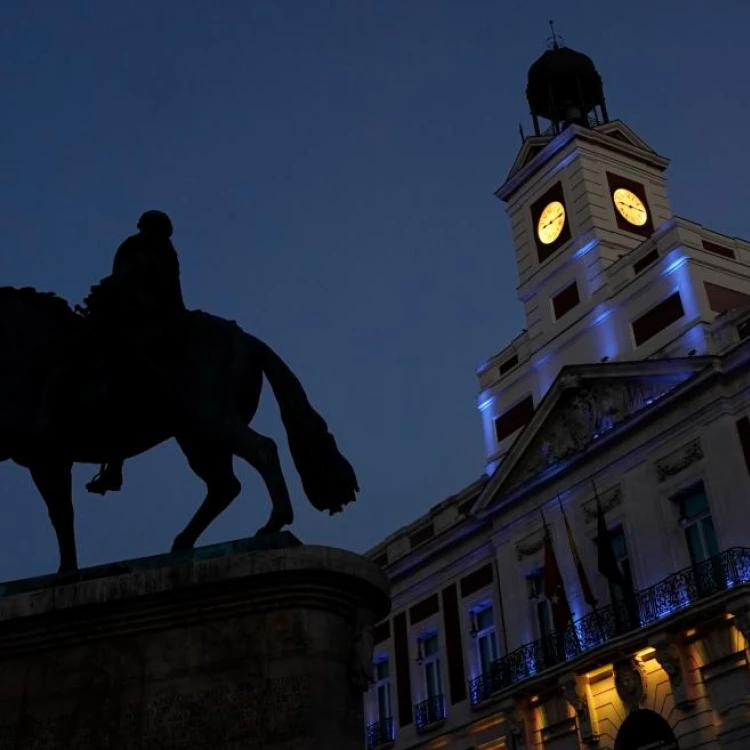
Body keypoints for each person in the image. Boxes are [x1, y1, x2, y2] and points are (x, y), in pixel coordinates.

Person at [80, 210, 186, 495]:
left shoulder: (141, 246)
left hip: (140, 315)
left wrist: (105, 287)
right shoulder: (164, 250)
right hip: (154, 314)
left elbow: (129, 275)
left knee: (102, 351)